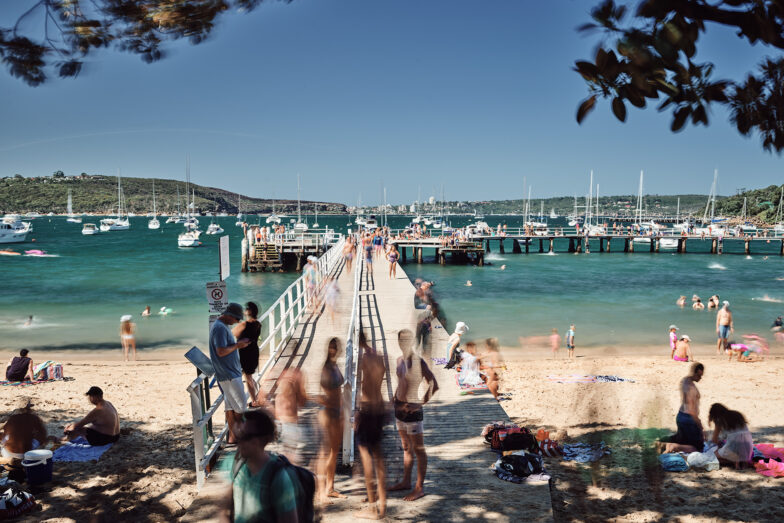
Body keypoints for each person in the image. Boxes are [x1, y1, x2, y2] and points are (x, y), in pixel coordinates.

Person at [220, 408, 299, 523]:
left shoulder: (278, 478)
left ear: (264, 439)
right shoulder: (234, 464)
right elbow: (225, 510)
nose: (240, 442)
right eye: (239, 435)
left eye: (246, 437)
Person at [389, 329, 438, 502]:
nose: (404, 343)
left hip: (413, 411)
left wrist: (421, 402)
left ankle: (419, 488)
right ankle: (406, 481)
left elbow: (433, 383)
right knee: (406, 447)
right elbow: (401, 382)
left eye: (407, 340)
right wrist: (394, 398)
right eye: (401, 340)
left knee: (418, 449)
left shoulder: (418, 362)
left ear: (411, 341)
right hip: (399, 409)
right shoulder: (399, 360)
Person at [355, 331, 387, 520]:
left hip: (368, 409)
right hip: (381, 408)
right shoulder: (380, 357)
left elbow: (365, 387)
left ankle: (373, 505)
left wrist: (358, 412)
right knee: (379, 458)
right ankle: (382, 504)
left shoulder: (364, 359)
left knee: (366, 457)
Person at [210, 303, 251, 443]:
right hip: (229, 375)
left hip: (228, 373)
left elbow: (224, 348)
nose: (237, 322)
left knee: (230, 406)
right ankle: (241, 436)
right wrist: (238, 345)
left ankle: (233, 438)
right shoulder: (220, 328)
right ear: (229, 316)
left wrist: (238, 344)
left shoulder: (222, 326)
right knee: (240, 407)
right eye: (237, 319)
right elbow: (220, 351)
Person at [317, 338, 344, 502]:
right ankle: (323, 490)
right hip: (329, 413)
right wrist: (331, 406)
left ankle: (330, 487)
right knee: (326, 453)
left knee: (333, 453)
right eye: (331, 347)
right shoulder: (327, 368)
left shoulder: (334, 365)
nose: (334, 350)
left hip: (336, 411)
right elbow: (325, 394)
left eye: (336, 347)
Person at [660, 363, 704, 453]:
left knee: (681, 439)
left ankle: (661, 443)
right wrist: (699, 423)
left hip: (681, 415)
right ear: (694, 373)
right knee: (697, 447)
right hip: (689, 418)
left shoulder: (684, 381)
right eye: (699, 375)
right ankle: (673, 447)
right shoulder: (691, 388)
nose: (700, 378)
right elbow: (691, 409)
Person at [275, 368, 307, 464]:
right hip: (290, 425)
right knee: (291, 457)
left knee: (284, 453)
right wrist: (300, 387)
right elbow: (302, 402)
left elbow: (276, 414)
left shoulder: (278, 397)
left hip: (280, 424)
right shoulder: (291, 396)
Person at [233, 301, 263, 407]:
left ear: (249, 311)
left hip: (245, 352)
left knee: (248, 377)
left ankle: (254, 401)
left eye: (246, 308)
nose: (244, 310)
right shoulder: (258, 324)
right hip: (254, 350)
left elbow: (232, 333)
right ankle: (256, 397)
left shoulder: (244, 324)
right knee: (249, 375)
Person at [0, 398, 47, 463]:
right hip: (27, 455)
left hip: (7, 454)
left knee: (5, 437)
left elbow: (5, 434)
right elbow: (43, 433)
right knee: (39, 436)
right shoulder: (33, 418)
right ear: (29, 409)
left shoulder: (12, 418)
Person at [708, 403, 753, 468]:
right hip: (748, 446)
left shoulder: (719, 420)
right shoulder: (737, 415)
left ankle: (734, 461)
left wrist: (715, 446)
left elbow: (714, 439)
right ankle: (740, 461)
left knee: (712, 456)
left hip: (734, 446)